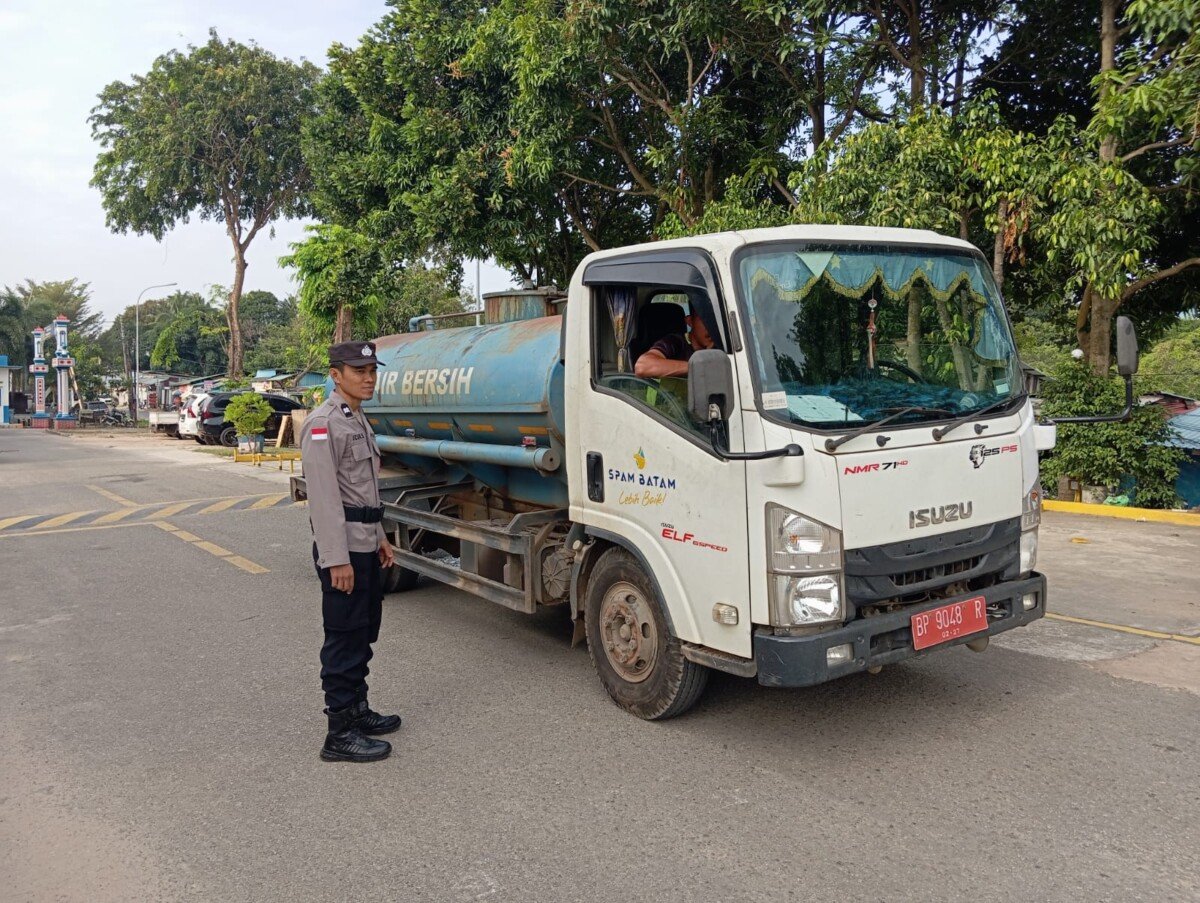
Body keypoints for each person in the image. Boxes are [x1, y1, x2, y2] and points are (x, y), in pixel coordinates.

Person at [300, 341, 401, 763]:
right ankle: (338, 733)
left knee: (362, 632)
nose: (368, 377)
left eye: (372, 370)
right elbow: (324, 499)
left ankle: (357, 710)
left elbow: (363, 492)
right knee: (343, 638)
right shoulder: (323, 424)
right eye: (358, 370)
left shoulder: (357, 419)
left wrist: (379, 535)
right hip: (343, 551)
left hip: (363, 543)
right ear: (336, 374)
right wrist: (336, 559)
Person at [633, 309, 715, 378]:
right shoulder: (675, 342)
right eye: (704, 320)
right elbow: (643, 366)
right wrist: (699, 367)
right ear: (690, 321)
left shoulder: (720, 347)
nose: (710, 327)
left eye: (714, 322)